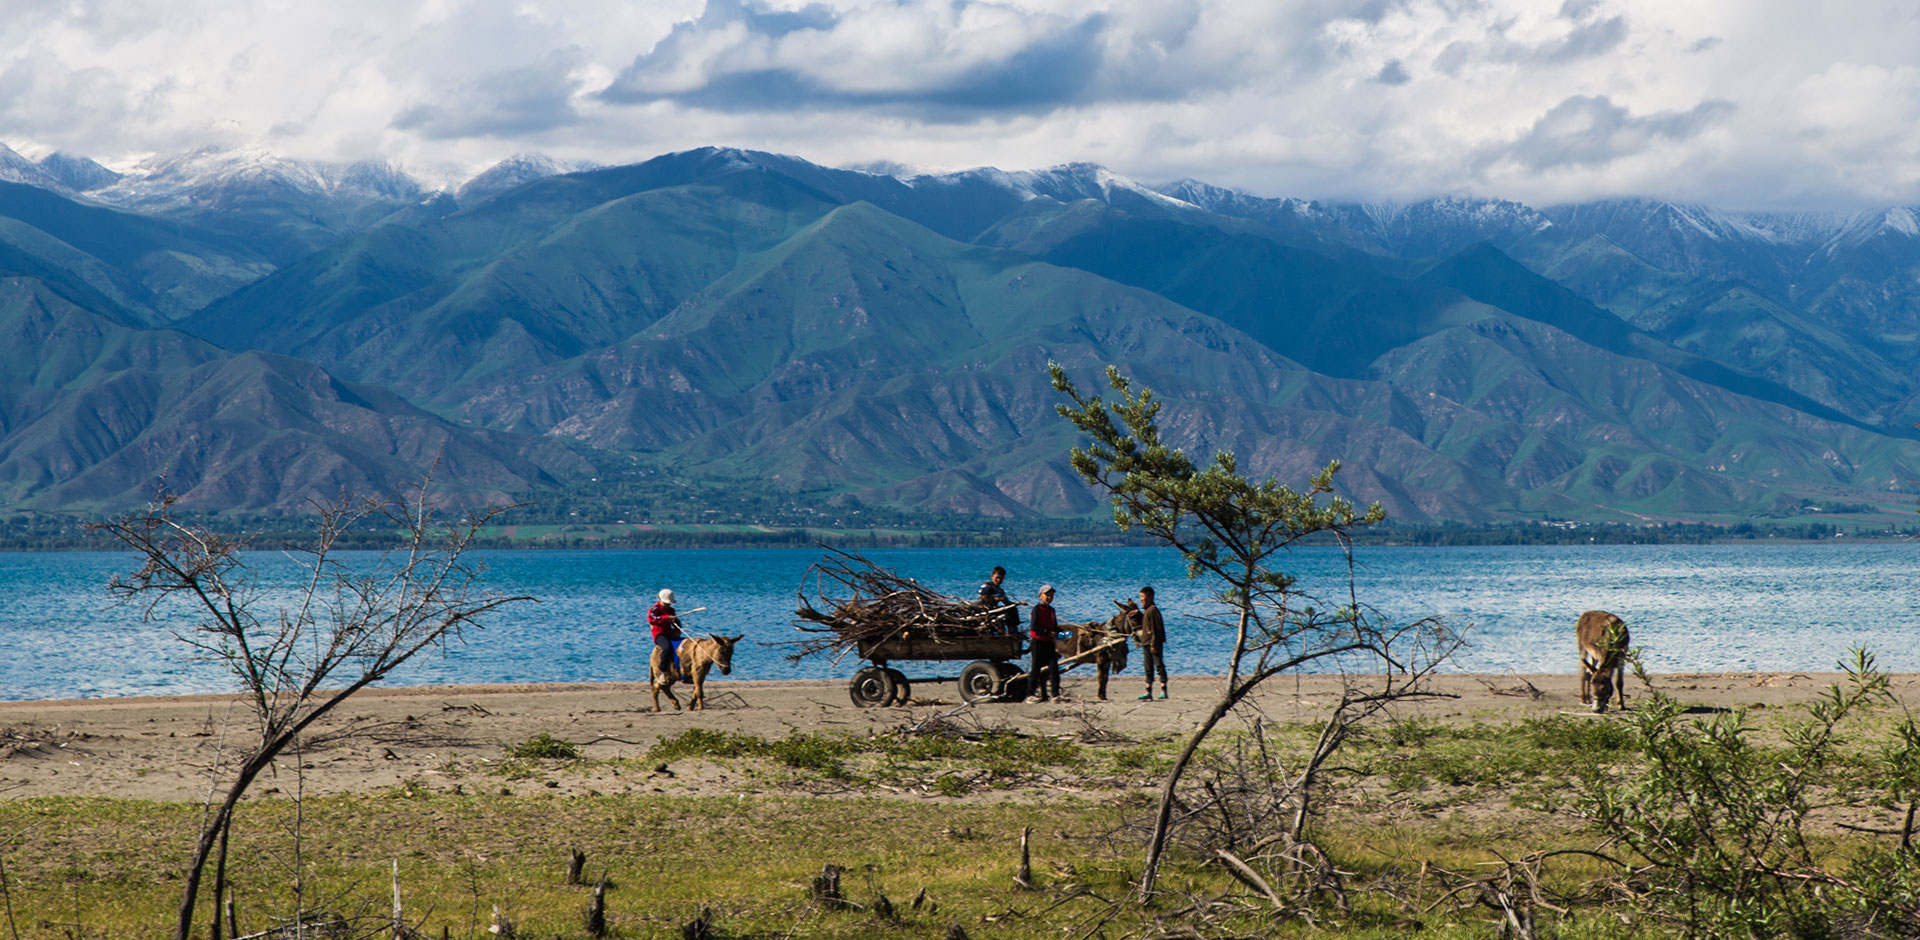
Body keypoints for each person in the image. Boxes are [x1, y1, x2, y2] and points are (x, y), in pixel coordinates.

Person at [1027, 584, 1062, 702]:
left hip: (1049, 643)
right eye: (1047, 595)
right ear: (1040, 596)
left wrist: (1060, 633)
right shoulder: (1037, 609)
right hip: (1038, 642)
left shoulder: (1052, 610)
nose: (1049, 597)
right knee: (1036, 669)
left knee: (1054, 669)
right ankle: (1030, 694)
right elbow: (1034, 626)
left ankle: (1055, 695)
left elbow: (1055, 626)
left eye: (1051, 595)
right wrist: (1047, 632)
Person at [1137, 586, 1168, 700]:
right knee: (1148, 667)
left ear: (1150, 597)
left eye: (1142, 597)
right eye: (1140, 597)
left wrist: (1154, 644)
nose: (1141, 599)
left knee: (1159, 665)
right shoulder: (1147, 611)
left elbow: (1156, 629)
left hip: (1153, 643)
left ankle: (1163, 690)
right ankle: (1148, 691)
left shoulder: (1153, 610)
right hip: (1146, 643)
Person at [648, 588, 683, 680]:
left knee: (684, 645)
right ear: (660, 600)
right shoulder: (654, 610)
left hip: (670, 633)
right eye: (666, 603)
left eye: (669, 604)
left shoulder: (671, 610)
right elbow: (651, 619)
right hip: (660, 634)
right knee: (667, 648)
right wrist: (666, 618)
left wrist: (677, 629)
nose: (668, 605)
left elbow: (675, 621)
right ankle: (662, 671)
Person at [978, 565, 1020, 635]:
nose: (999, 580)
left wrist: (1017, 603)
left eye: (1001, 578)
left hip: (994, 610)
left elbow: (1006, 603)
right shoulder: (988, 586)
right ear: (992, 576)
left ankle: (1013, 630)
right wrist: (994, 599)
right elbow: (983, 596)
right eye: (997, 578)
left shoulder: (1000, 590)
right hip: (985, 609)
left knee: (1012, 609)